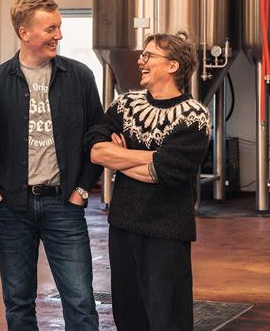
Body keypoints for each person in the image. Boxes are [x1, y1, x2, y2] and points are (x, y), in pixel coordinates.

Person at [0, 0, 103, 330]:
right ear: (24, 32)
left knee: (80, 301)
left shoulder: (79, 76)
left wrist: (82, 189)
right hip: (12, 207)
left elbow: (97, 136)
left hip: (64, 204)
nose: (59, 35)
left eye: (59, 27)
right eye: (50, 29)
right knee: (18, 303)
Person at [86, 33, 211, 330]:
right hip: (123, 227)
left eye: (148, 56)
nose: (140, 61)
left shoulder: (194, 117)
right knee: (128, 316)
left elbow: (165, 173)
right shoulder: (125, 105)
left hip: (166, 232)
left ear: (172, 66)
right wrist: (149, 157)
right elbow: (95, 150)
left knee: (167, 319)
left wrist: (120, 157)